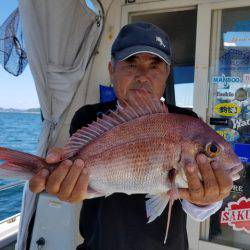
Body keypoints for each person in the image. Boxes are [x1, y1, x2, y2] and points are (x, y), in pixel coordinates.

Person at [29, 22, 234, 250]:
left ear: (166, 73)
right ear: (111, 69)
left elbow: (195, 209)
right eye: (131, 64)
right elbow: (79, 185)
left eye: (154, 66)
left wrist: (206, 199)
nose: (143, 76)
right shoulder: (88, 117)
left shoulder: (186, 119)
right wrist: (64, 185)